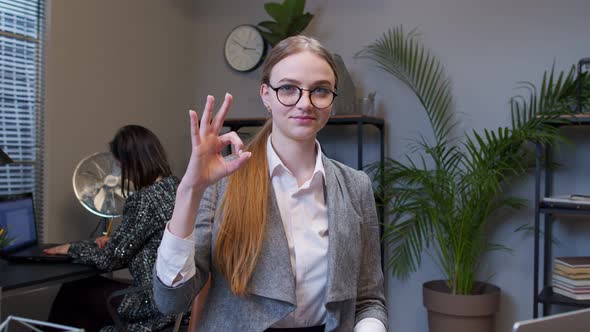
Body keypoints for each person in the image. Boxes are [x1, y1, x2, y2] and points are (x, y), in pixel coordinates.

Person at [153, 36, 388, 331]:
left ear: (332, 99)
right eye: (288, 88)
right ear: (266, 94)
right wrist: (190, 190)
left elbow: (369, 301)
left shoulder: (356, 187)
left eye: (320, 90)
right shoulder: (223, 183)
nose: (305, 103)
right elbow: (170, 301)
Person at [45, 125, 181, 332]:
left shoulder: (145, 200)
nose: (118, 174)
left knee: (73, 291)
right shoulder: (176, 186)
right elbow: (147, 240)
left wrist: (71, 249)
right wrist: (116, 242)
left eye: (118, 167)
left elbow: (110, 259)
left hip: (155, 302)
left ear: (129, 163)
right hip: (180, 298)